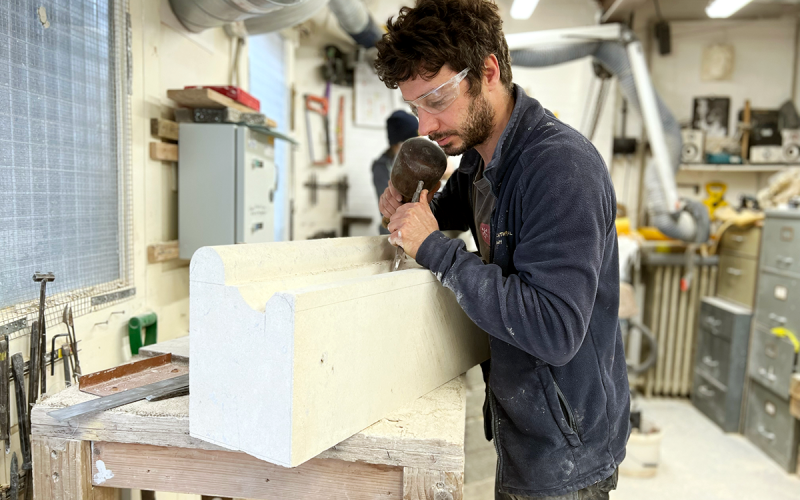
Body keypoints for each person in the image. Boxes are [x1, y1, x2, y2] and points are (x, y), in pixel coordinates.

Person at [374, 1, 630, 499]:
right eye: (415, 108)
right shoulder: (478, 159)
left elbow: (555, 329)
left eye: (436, 99)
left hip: (566, 447)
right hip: (523, 422)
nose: (425, 125)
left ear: (488, 71)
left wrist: (434, 249)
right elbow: (446, 212)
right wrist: (407, 200)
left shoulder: (560, 168)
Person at [372, 110, 419, 234]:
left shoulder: (414, 161)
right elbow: (389, 209)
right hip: (394, 231)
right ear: (399, 144)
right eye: (413, 140)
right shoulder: (381, 167)